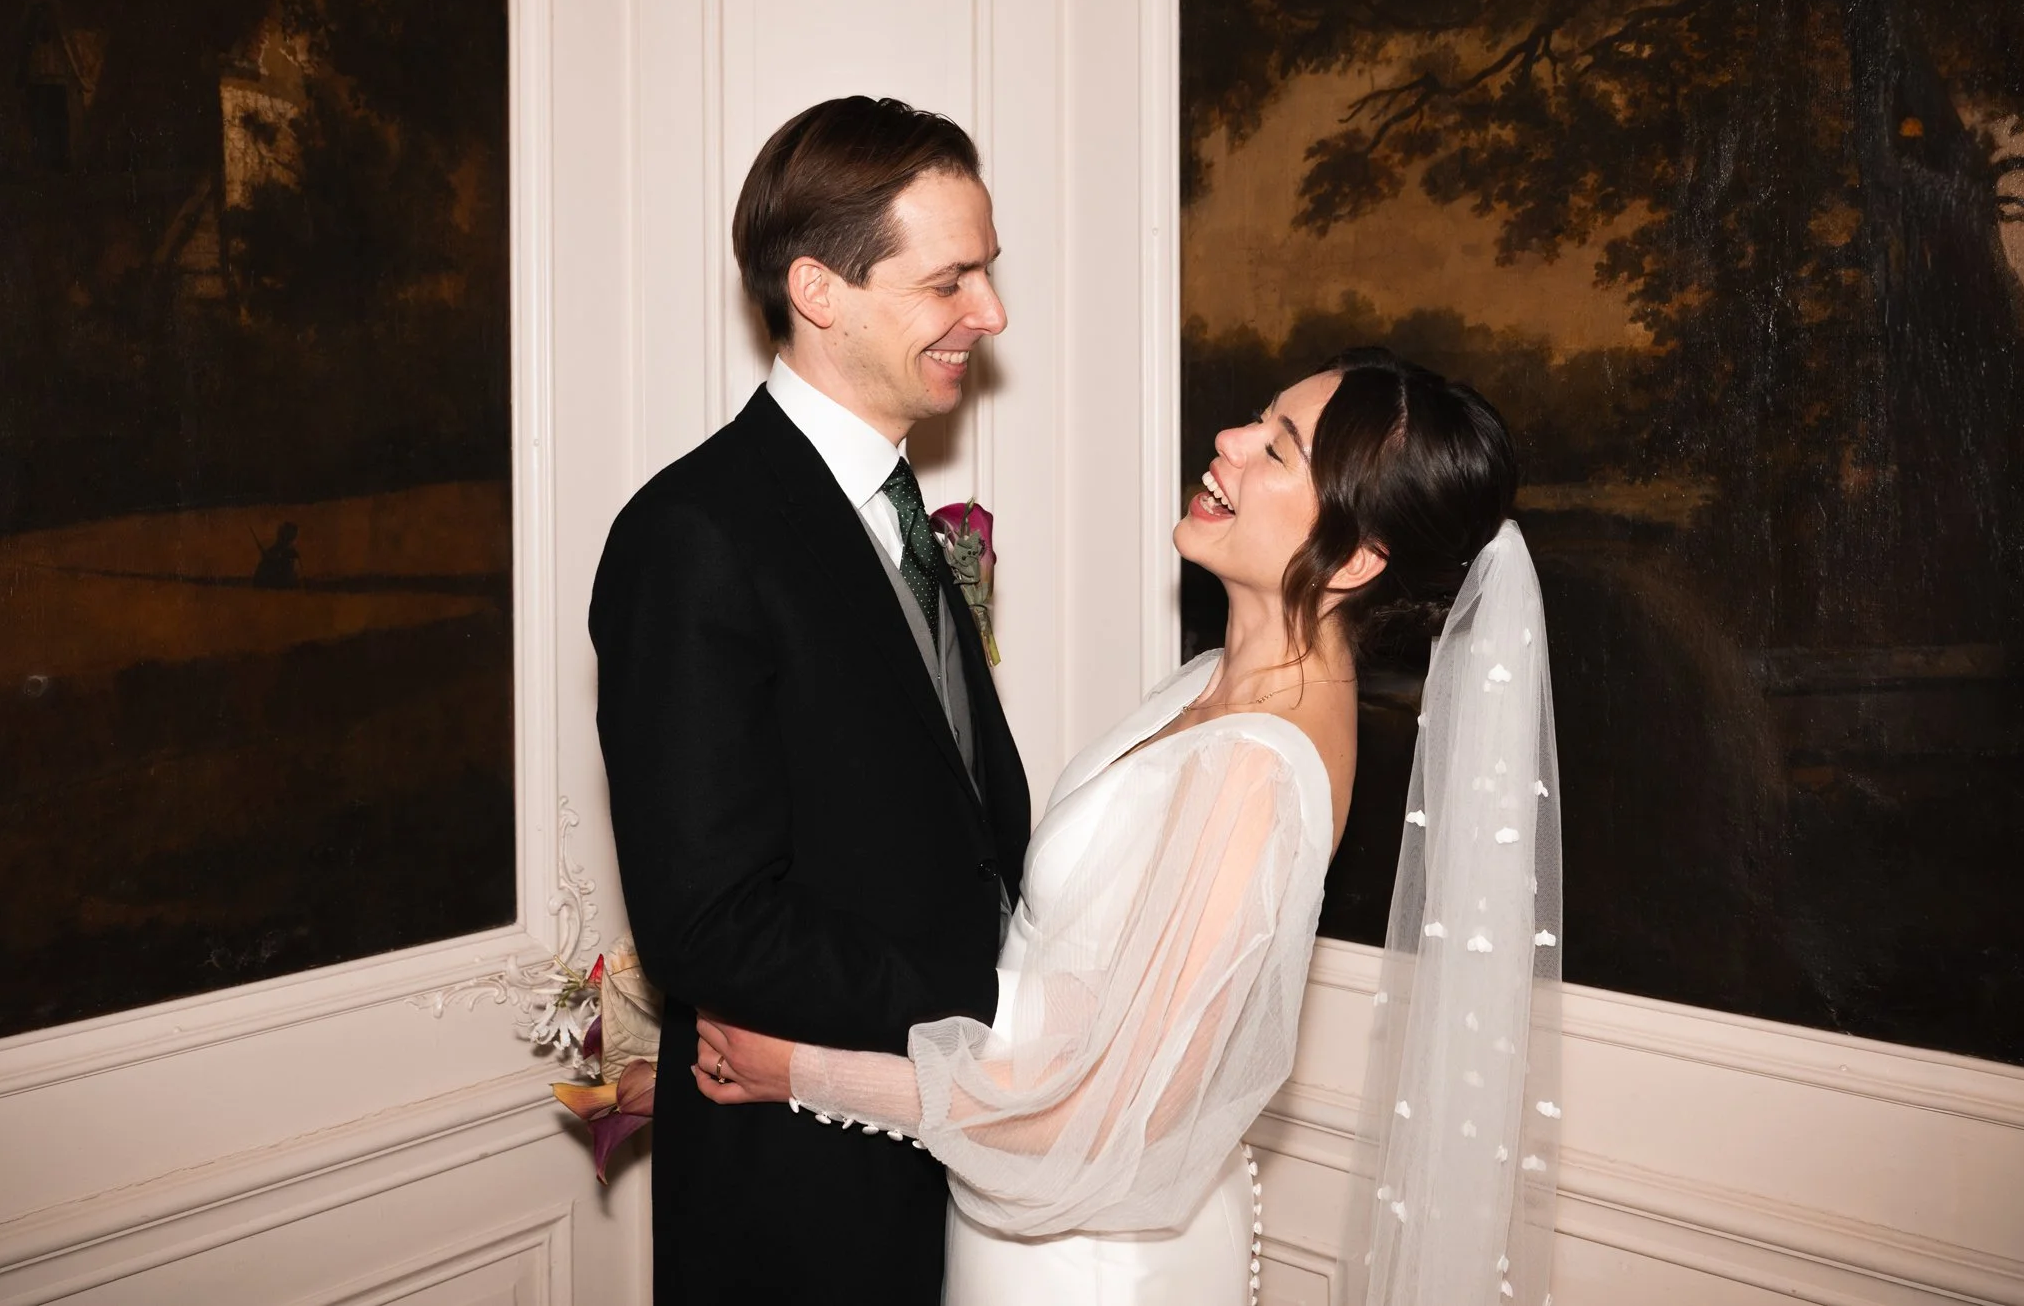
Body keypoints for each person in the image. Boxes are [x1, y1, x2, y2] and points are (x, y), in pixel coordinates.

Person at [692, 348, 1563, 1306]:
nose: (1229, 441)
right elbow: (1076, 989)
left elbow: (1104, 1112)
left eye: (1278, 448)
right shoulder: (1210, 688)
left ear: (1356, 557)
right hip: (1024, 1214)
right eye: (1257, 418)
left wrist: (804, 1073)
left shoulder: (1256, 775)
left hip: (1092, 1261)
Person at [590, 96, 1033, 1305]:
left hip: (944, 1149)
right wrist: (1004, 1011)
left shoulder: (897, 510)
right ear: (820, 290)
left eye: (986, 272)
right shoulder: (694, 534)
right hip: (800, 1195)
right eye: (951, 280)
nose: (988, 313)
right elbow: (712, 917)